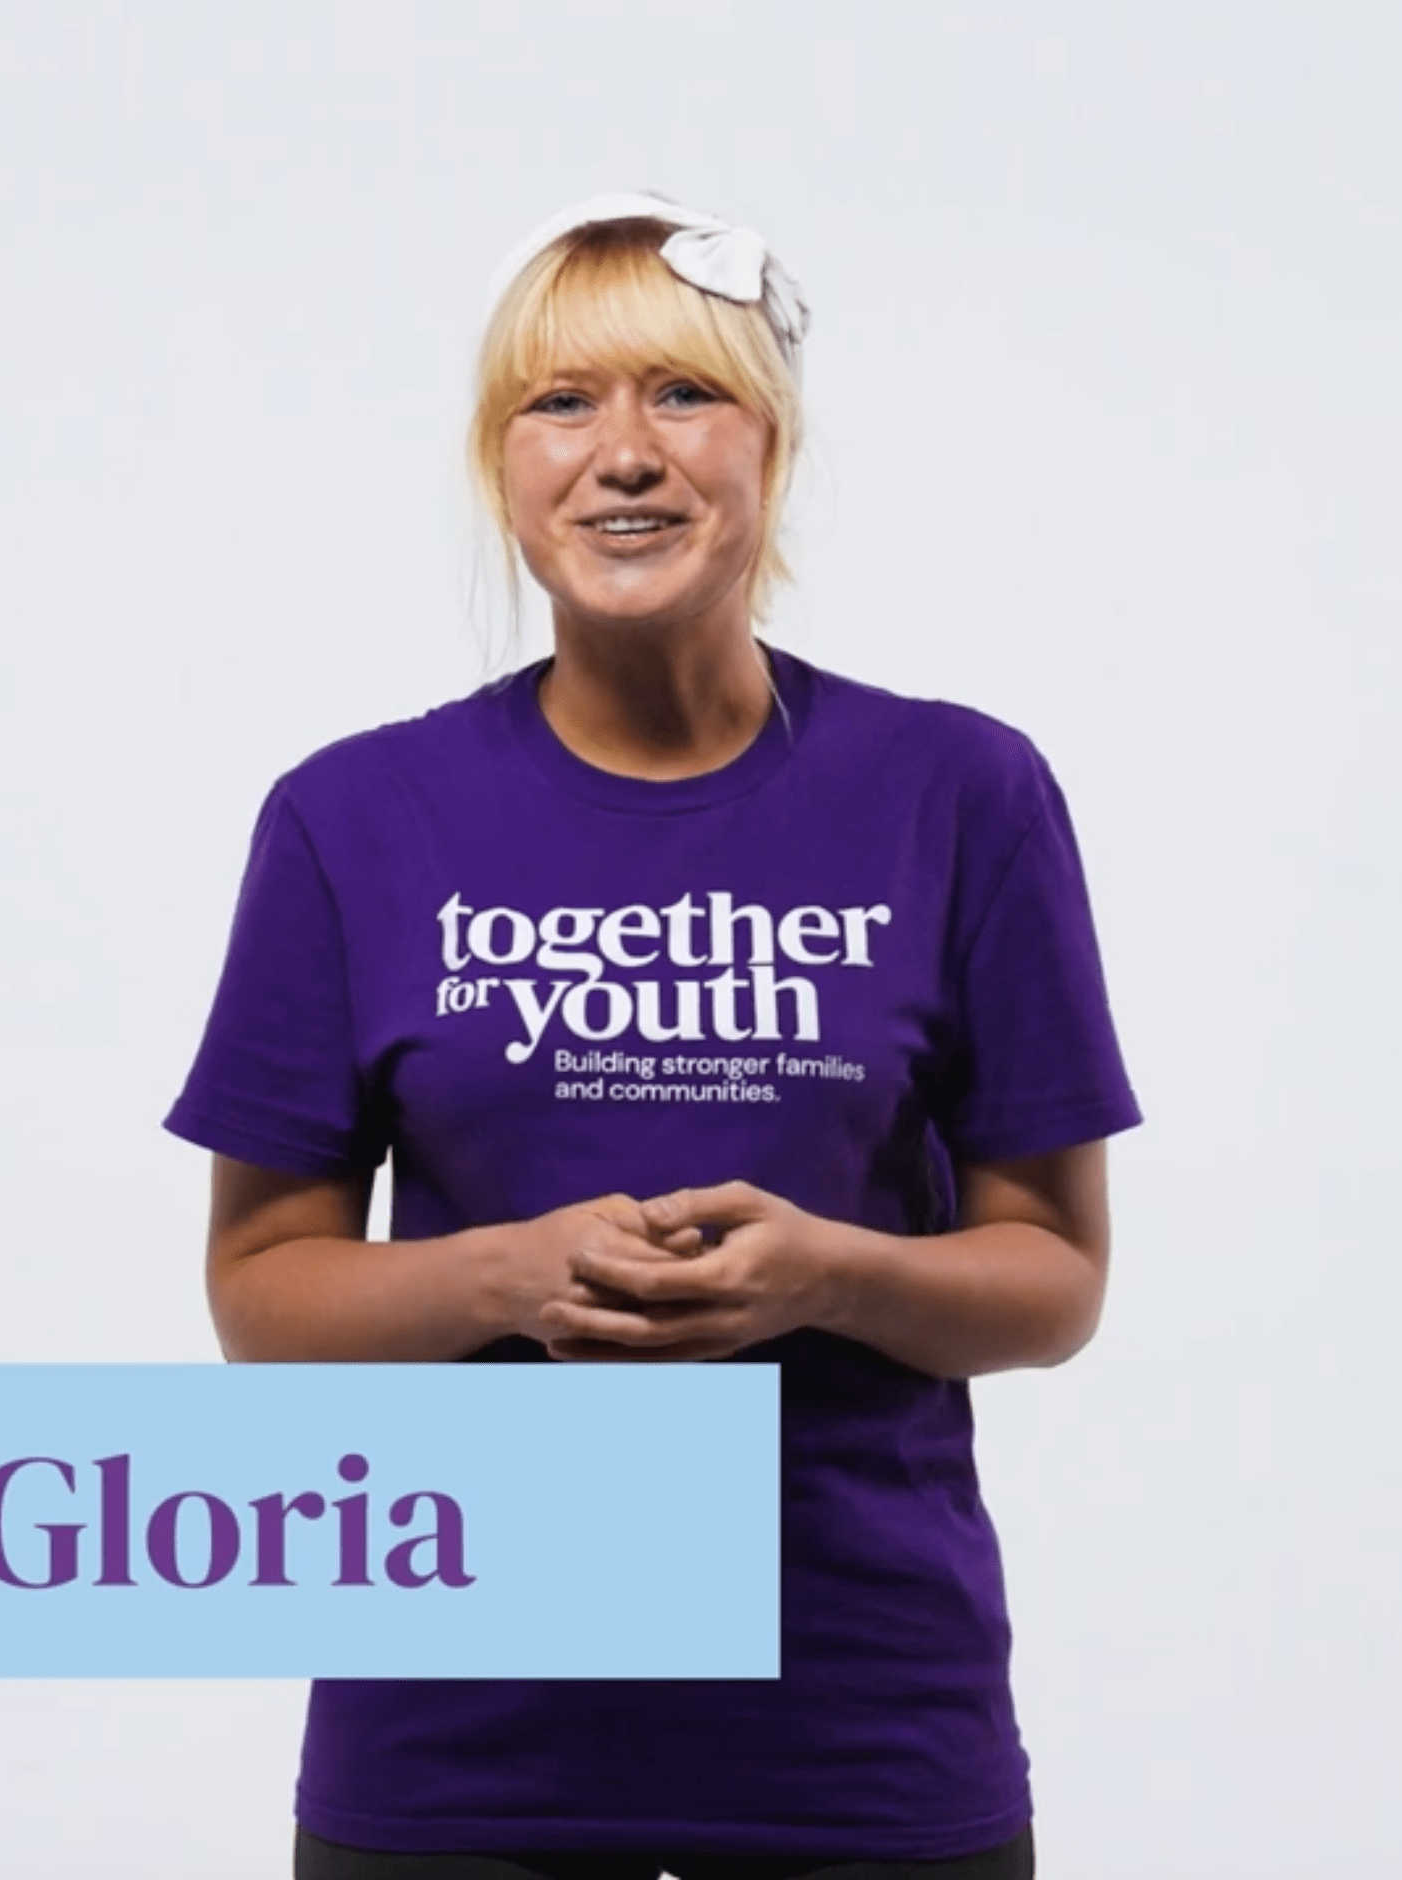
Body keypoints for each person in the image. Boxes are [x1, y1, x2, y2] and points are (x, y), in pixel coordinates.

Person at [163, 191, 1141, 1880]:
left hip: (865, 1752)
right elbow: (264, 1300)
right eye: (561, 403)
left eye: (683, 395)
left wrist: (827, 1274)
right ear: (502, 466)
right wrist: (507, 1277)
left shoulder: (960, 795)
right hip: (456, 1766)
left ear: (774, 444)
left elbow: (1053, 1278)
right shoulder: (353, 820)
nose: (623, 453)